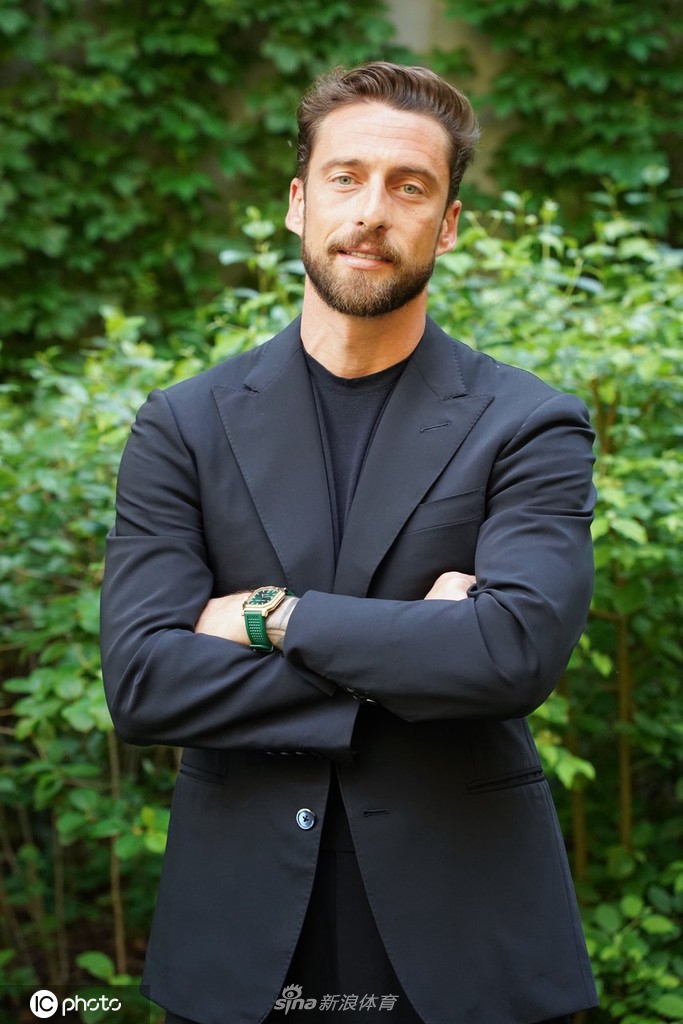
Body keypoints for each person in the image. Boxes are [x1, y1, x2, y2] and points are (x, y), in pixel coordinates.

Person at [100, 62, 598, 1024]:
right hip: (238, 939)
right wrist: (415, 647)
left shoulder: (528, 423)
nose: (371, 211)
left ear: (446, 225)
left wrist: (271, 618)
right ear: (298, 202)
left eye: (409, 187)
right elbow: (145, 681)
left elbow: (510, 656)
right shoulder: (183, 425)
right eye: (345, 177)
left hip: (464, 935)